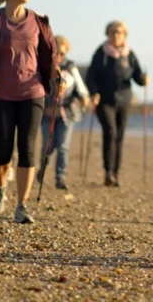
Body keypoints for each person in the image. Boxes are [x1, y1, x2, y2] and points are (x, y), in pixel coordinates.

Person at [0, 0, 64, 224]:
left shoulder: (39, 21)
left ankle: (22, 205)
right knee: (2, 151)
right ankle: (0, 186)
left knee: (27, 148)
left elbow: (51, 54)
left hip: (32, 93)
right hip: (1, 94)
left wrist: (57, 77)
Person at [85, 20, 149, 187]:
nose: (115, 35)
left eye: (119, 32)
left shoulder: (129, 54)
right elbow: (91, 76)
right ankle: (108, 171)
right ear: (107, 34)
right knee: (110, 132)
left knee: (119, 136)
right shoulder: (101, 53)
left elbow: (137, 76)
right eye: (112, 32)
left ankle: (115, 173)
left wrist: (143, 80)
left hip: (124, 100)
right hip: (104, 100)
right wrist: (93, 92)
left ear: (124, 35)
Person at [38, 35, 91, 191]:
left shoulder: (70, 67)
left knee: (63, 146)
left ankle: (60, 177)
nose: (59, 56)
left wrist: (84, 97)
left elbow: (80, 87)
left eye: (62, 53)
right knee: (48, 146)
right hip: (47, 114)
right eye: (56, 53)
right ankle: (42, 169)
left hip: (66, 114)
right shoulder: (43, 66)